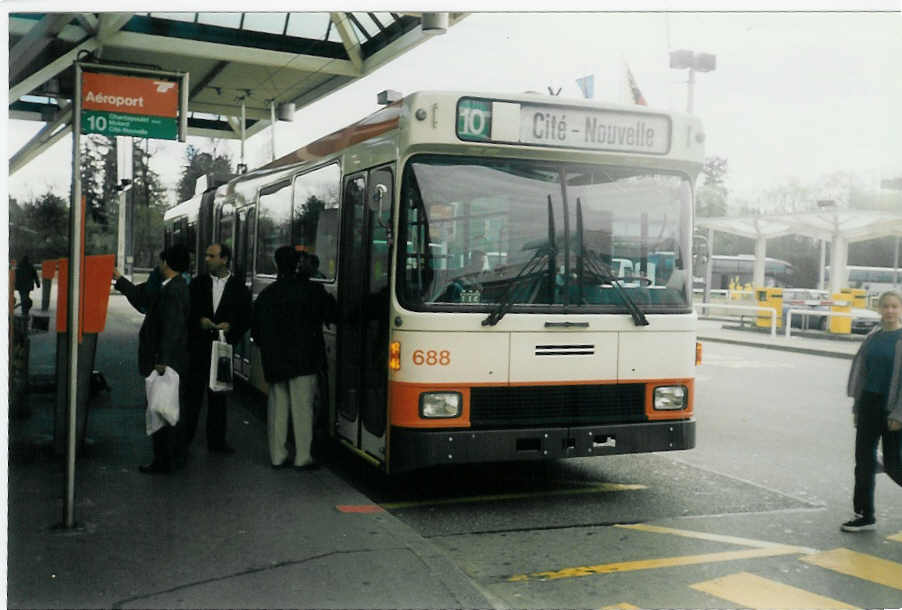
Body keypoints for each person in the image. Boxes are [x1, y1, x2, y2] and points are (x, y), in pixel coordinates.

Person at [252, 246, 337, 469]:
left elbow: (257, 333)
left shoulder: (267, 295)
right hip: (305, 361)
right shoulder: (313, 291)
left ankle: (278, 456)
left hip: (276, 362)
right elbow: (332, 314)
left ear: (276, 265)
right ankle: (303, 456)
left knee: (278, 409)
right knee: (303, 409)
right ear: (299, 264)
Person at [113, 244, 191, 474]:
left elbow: (172, 328)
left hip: (166, 362)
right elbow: (144, 297)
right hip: (167, 359)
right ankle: (167, 458)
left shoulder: (173, 290)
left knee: (161, 408)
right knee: (164, 407)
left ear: (165, 262)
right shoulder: (173, 286)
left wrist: (162, 359)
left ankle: (165, 460)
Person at [183, 243, 252, 457]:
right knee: (192, 395)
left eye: (211, 256)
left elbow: (245, 317)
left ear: (224, 259)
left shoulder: (239, 287)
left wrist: (231, 328)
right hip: (198, 347)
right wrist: (199, 321)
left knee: (218, 396)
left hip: (222, 349)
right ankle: (184, 438)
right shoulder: (198, 284)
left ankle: (217, 441)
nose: (206, 259)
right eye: (206, 255)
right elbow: (187, 311)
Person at [842, 289, 902, 532]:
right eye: (885, 306)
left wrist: (899, 414)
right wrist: (857, 406)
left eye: (894, 306)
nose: (889, 311)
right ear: (879, 309)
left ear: (900, 310)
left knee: (894, 463)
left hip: (892, 409)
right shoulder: (873, 336)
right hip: (868, 404)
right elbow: (862, 373)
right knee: (863, 461)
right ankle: (865, 515)